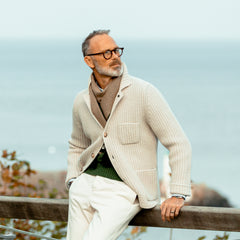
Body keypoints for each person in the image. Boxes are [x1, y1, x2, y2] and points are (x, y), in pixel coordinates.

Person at [65, 29, 192, 240]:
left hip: (124, 191)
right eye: (106, 53)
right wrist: (73, 180)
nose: (114, 57)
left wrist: (177, 193)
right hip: (83, 186)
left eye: (116, 51)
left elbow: (178, 142)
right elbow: (77, 145)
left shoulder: (144, 92)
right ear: (89, 61)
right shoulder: (81, 100)